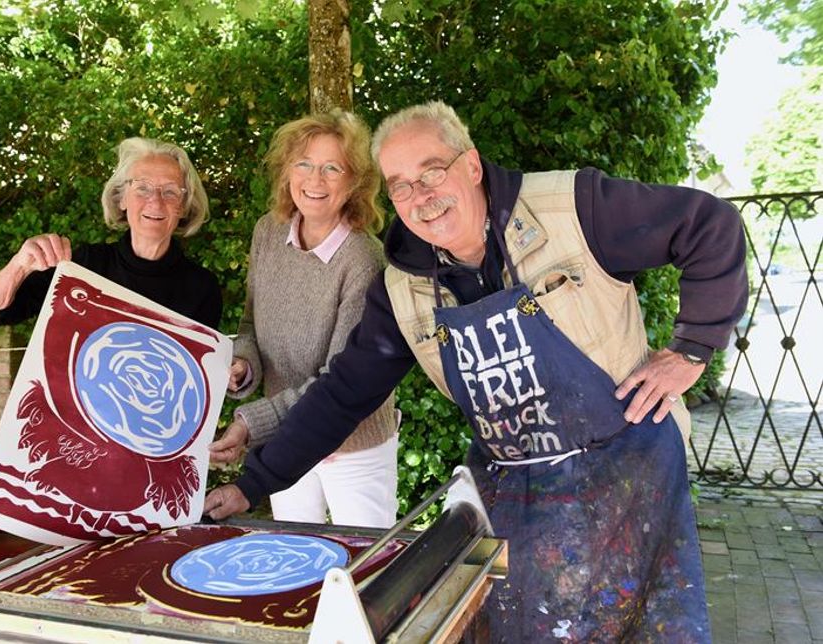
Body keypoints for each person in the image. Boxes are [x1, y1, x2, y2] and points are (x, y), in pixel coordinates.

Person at [205, 101, 748, 641]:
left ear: (471, 166)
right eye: (401, 185)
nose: (421, 197)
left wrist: (692, 348)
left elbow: (710, 225)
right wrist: (253, 484)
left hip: (629, 478)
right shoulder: (403, 287)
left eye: (432, 172)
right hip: (515, 490)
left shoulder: (572, 209)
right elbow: (344, 392)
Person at [209, 110, 399, 528]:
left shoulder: (363, 259)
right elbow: (249, 326)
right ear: (286, 172)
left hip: (354, 444)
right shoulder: (267, 232)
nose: (315, 180)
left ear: (354, 182)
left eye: (333, 168)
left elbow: (339, 379)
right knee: (293, 561)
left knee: (364, 568)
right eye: (304, 164)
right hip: (285, 440)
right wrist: (242, 367)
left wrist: (250, 423)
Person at [0, 137, 222, 330]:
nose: (155, 201)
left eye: (170, 191)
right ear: (122, 197)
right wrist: (20, 266)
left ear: (184, 205)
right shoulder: (82, 266)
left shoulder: (202, 288)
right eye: (142, 188)